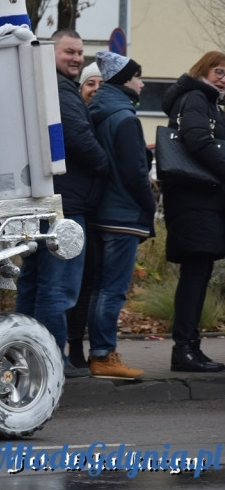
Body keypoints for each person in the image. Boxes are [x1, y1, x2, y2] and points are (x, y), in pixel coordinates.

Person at [15, 30, 110, 378]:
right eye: (69, 51)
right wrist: (105, 164)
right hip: (66, 208)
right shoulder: (62, 91)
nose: (76, 58)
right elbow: (79, 139)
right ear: (51, 53)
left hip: (45, 201)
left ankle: (20, 352)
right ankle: (52, 357)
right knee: (58, 285)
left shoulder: (44, 85)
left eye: (80, 52)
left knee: (34, 281)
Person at [86, 51, 154, 380]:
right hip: (123, 215)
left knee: (100, 287)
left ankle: (100, 352)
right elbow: (135, 172)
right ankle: (103, 355)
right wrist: (149, 205)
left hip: (102, 210)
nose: (142, 83)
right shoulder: (125, 117)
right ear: (126, 79)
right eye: (138, 76)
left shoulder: (100, 110)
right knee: (112, 289)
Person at [160, 52, 225, 372]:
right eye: (219, 70)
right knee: (195, 275)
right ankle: (184, 350)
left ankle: (190, 349)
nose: (224, 78)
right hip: (195, 203)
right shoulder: (197, 98)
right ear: (203, 70)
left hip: (199, 203)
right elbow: (198, 140)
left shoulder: (206, 102)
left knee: (197, 275)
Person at [66, 59, 104, 368]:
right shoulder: (77, 118)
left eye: (102, 85)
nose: (95, 90)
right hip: (80, 207)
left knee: (88, 282)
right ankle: (73, 349)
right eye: (90, 84)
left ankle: (80, 348)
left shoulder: (106, 119)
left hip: (97, 208)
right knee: (75, 284)